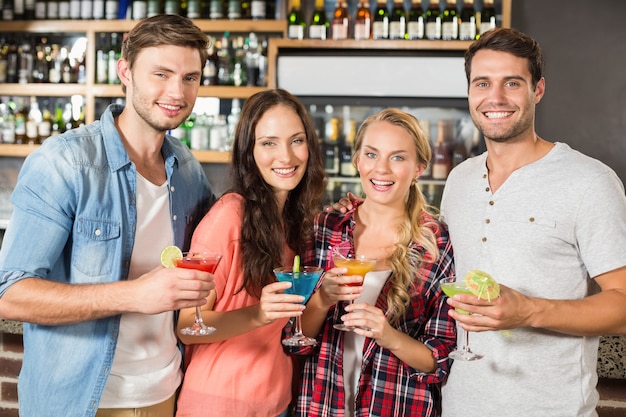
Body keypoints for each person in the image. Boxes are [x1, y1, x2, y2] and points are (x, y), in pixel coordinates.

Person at [0, 15, 218, 417]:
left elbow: (228, 232)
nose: (177, 91)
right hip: (80, 401)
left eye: (190, 77)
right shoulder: (64, 162)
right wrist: (134, 295)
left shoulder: (187, 170)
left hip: (164, 392)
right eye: (161, 74)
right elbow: (9, 295)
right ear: (125, 72)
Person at [439, 28, 626, 417]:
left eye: (512, 82)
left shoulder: (590, 182)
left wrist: (528, 311)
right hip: (459, 406)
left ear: (537, 89)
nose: (496, 98)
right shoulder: (458, 180)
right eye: (482, 83)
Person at [287, 108, 456, 416]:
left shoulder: (436, 241)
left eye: (398, 157)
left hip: (397, 405)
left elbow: (439, 360)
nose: (382, 169)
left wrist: (387, 334)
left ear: (419, 167)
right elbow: (296, 340)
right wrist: (323, 299)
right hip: (323, 404)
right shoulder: (326, 226)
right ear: (357, 161)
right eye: (372, 154)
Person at [175, 88, 326, 417]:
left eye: (296, 140)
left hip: (276, 403)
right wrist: (259, 313)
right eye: (269, 143)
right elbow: (187, 327)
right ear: (249, 152)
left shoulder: (293, 224)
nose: (285, 157)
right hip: (219, 403)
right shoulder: (229, 217)